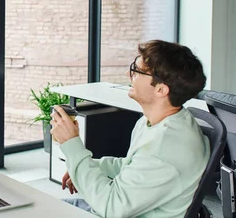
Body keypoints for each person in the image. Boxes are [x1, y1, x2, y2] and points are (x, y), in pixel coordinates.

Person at [51, 40, 210, 218]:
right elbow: (131, 166)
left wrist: (72, 145)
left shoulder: (165, 148)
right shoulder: (156, 121)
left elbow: (112, 208)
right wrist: (89, 166)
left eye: (136, 70)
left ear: (161, 90)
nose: (128, 73)